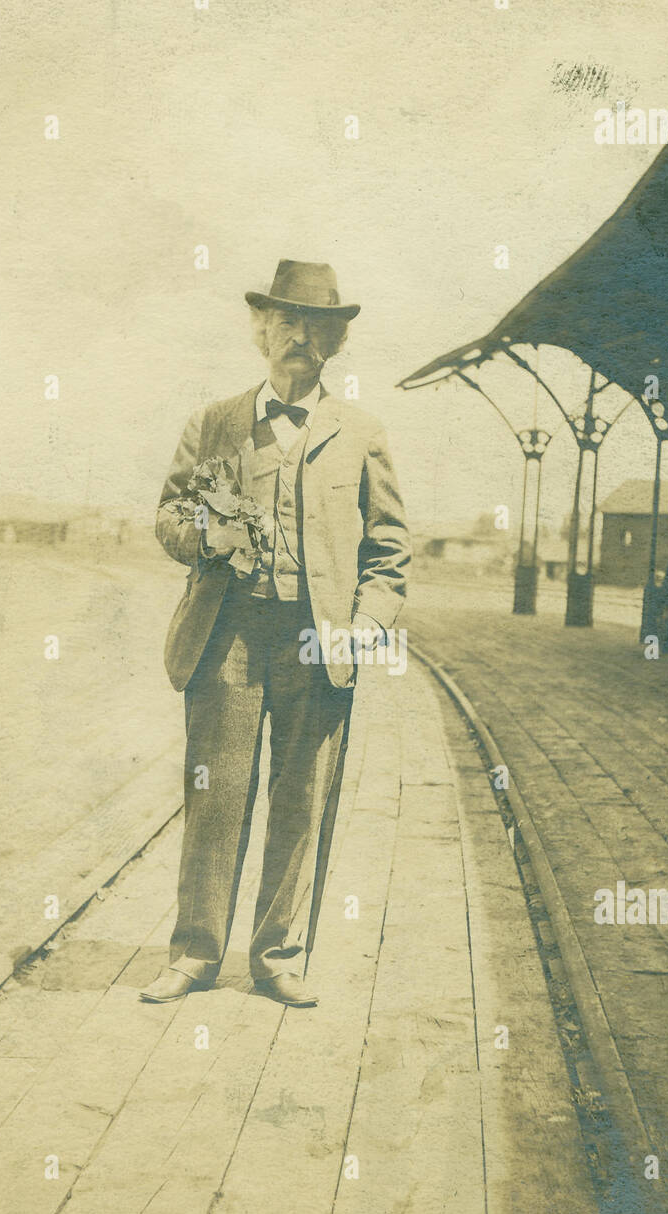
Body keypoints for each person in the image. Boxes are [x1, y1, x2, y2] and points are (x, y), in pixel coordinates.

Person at [140, 260, 412, 1007]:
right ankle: (195, 952)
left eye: (317, 326)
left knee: (301, 800)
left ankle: (277, 956)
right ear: (261, 331)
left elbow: (390, 552)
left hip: (315, 645)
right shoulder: (215, 422)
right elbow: (167, 517)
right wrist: (204, 534)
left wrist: (363, 630)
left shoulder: (361, 432)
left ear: (335, 342)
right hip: (224, 636)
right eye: (285, 322)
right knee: (216, 796)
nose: (299, 336)